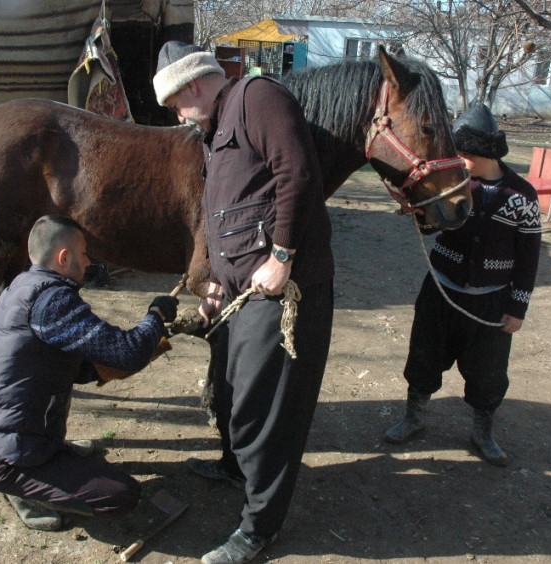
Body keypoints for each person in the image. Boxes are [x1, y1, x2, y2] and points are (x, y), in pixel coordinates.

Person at [153, 41, 334, 564]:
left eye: (173, 103)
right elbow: (223, 212)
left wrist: (282, 255)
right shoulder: (213, 131)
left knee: (265, 410)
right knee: (232, 393)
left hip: (283, 291)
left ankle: (258, 528)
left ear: (191, 85)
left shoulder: (258, 97)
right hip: (241, 291)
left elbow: (297, 175)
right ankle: (236, 470)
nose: (175, 114)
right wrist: (216, 279)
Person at [0, 215, 178, 530]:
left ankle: (46, 455)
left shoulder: (23, 285)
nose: (89, 261)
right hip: (2, 456)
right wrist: (155, 316)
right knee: (121, 495)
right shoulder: (52, 302)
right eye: (84, 253)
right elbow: (127, 352)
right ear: (64, 257)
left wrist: (144, 347)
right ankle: (23, 490)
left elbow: (71, 367)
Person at [384, 104, 542, 466]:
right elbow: (432, 227)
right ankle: (414, 418)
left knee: (488, 372)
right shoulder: (452, 185)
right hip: (441, 291)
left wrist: (517, 308)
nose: (455, 160)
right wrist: (416, 210)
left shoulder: (522, 196)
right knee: (423, 357)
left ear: (481, 154)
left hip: (490, 301)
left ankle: (482, 431)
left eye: (462, 155)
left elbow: (530, 258)